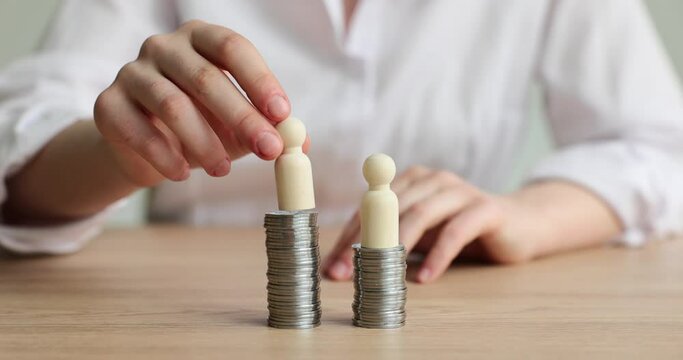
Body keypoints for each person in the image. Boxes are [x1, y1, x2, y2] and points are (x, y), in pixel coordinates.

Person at [0, 0, 681, 284]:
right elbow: (19, 147)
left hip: (448, 308)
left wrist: (530, 214)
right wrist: (119, 152)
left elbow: (659, 147)